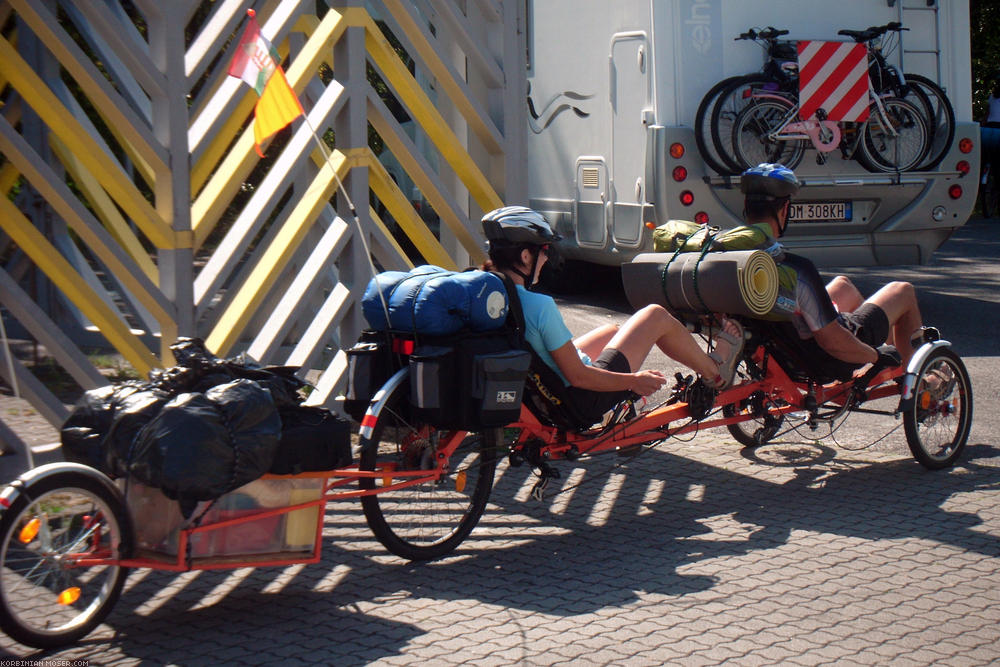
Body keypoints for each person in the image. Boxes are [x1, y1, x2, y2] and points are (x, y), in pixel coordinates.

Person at [480, 206, 743, 425]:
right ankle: (715, 370)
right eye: (544, 250)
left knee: (613, 332)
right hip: (579, 399)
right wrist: (634, 382)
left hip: (540, 391)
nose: (546, 258)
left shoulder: (486, 294)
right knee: (654, 316)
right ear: (526, 255)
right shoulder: (538, 306)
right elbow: (579, 377)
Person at [736, 163, 933, 374]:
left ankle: (881, 373)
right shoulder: (795, 269)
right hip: (826, 356)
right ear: (785, 210)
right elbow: (833, 342)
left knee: (843, 284)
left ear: (746, 206)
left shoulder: (731, 261)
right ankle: (912, 381)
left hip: (782, 348)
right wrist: (877, 356)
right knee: (902, 290)